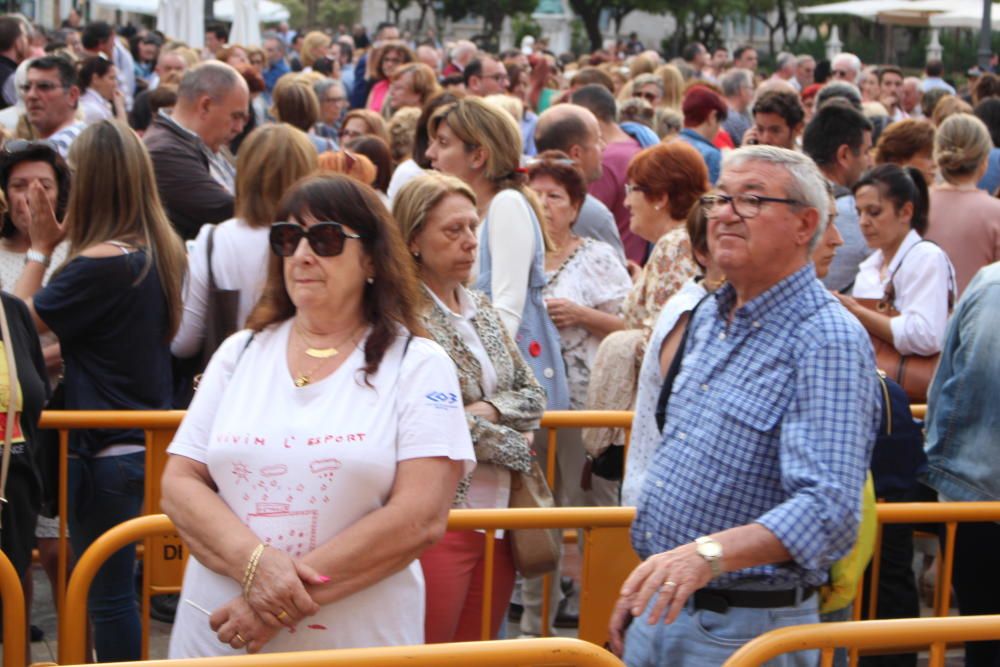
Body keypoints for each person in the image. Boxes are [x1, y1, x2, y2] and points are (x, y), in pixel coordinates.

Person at [161, 173, 473, 656]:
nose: (303, 253)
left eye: (325, 238)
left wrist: (271, 604)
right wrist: (255, 565)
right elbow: (180, 482)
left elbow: (419, 517)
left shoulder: (418, 363)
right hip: (217, 639)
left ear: (371, 257)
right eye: (288, 238)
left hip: (352, 645)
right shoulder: (239, 352)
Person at [609, 145, 879, 665]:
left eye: (751, 200)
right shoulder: (712, 314)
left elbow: (829, 508)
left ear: (805, 225)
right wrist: (654, 584)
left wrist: (705, 558)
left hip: (746, 632)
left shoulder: (826, 337)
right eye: (720, 197)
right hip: (669, 610)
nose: (725, 212)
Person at [12, 120, 187, 662]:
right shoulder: (159, 248)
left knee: (107, 597)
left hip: (103, 450)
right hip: (140, 443)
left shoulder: (100, 263)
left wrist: (41, 250)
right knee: (113, 593)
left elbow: (12, 323)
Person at [392, 172, 543, 643]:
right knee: (432, 647)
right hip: (439, 514)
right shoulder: (399, 312)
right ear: (414, 240)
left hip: (499, 516)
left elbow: (534, 397)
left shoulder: (481, 305)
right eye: (452, 231)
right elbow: (429, 422)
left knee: (480, 648)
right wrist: (512, 439)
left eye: (472, 227)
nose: (469, 241)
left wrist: (487, 413)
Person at [425, 97, 569, 410]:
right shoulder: (480, 211)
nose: (430, 154)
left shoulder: (507, 205)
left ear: (478, 155)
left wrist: (473, 376)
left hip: (512, 395)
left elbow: (508, 308)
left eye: (443, 143)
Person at [172, 124, 318, 359]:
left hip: (232, 381)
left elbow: (184, 343)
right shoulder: (324, 245)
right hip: (305, 375)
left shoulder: (214, 240)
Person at [622, 205, 725, 507]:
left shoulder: (712, 304)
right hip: (668, 493)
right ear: (702, 254)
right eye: (726, 239)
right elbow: (681, 410)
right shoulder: (689, 310)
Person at [924, 261, 1000, 667]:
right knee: (986, 644)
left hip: (977, 493)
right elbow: (978, 400)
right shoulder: (996, 290)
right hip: (982, 502)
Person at [529, 153, 631, 410]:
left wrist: (580, 315)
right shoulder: (514, 258)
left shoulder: (596, 257)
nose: (542, 204)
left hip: (585, 405)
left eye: (554, 196)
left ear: (574, 209)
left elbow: (631, 329)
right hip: (531, 403)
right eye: (534, 195)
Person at [836, 164, 954, 362]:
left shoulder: (927, 257)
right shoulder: (870, 266)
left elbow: (927, 336)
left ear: (906, 212)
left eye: (874, 212)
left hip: (910, 388)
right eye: (859, 212)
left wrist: (857, 312)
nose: (863, 222)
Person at [144, 62, 249, 240]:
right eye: (235, 116)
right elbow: (231, 210)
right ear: (205, 106)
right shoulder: (164, 152)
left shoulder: (207, 143)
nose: (239, 128)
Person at [533, 104, 625, 262]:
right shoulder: (594, 214)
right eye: (598, 140)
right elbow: (616, 273)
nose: (603, 147)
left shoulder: (515, 195)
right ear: (576, 153)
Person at [569, 84, 646, 265]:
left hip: (614, 265)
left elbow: (584, 221)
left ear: (589, 117)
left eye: (571, 119)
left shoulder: (604, 160)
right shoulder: (635, 144)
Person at [802, 101, 874, 293]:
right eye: (866, 152)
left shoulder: (785, 198)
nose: (870, 161)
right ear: (844, 155)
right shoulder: (855, 211)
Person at [925, 113, 1000, 295]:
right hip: (976, 318)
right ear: (984, 160)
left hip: (915, 316)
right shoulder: (994, 212)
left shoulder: (915, 205)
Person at [22, 56, 86, 158]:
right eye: (27, 87)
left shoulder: (60, 147)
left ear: (72, 95)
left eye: (44, 86)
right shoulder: (84, 136)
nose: (31, 95)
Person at [678, 85, 726, 184]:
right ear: (712, 116)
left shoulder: (667, 145)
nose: (719, 129)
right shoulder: (712, 156)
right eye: (719, 122)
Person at [873, 118, 937, 186]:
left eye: (935, 156)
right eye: (928, 157)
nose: (935, 164)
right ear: (896, 160)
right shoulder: (876, 194)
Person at [365, 41, 412, 113]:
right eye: (386, 60)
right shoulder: (378, 87)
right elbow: (367, 115)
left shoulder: (411, 88)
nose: (389, 64)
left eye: (396, 61)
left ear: (407, 63)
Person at [78, 55, 126, 124]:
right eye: (111, 78)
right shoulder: (94, 110)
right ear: (96, 79)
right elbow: (120, 133)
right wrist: (120, 107)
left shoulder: (98, 104)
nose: (115, 84)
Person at [0, 16, 30, 109]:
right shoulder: (11, 78)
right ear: (18, 42)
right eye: (24, 36)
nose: (27, 41)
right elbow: (25, 111)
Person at [720, 68, 754, 148]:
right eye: (751, 88)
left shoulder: (723, 112)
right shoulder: (734, 119)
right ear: (741, 90)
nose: (753, 92)